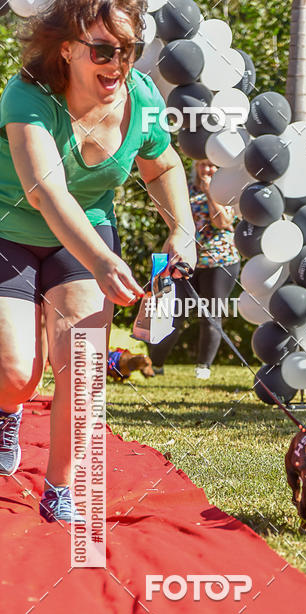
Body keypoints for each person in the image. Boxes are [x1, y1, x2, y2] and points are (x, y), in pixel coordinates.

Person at [0, 0, 195, 522]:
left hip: (84, 236)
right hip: (10, 230)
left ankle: (60, 486)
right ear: (67, 49)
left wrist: (183, 229)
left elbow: (163, 164)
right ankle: (7, 409)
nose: (117, 64)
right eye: (103, 50)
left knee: (83, 365)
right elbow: (45, 192)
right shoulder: (27, 94)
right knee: (17, 374)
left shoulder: (144, 99)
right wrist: (105, 260)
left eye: (127, 51)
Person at [148, 158, 240, 378]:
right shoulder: (184, 190)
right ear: (195, 167)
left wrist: (210, 192)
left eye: (212, 164)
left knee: (211, 315)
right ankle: (155, 364)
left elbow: (222, 222)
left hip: (220, 262)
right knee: (174, 313)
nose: (207, 168)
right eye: (203, 164)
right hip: (185, 262)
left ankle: (203, 368)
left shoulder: (226, 191)